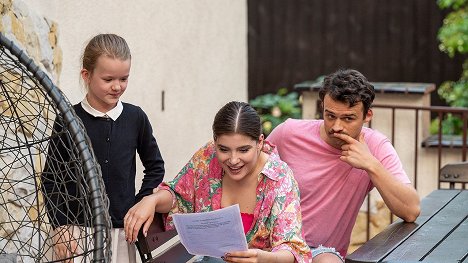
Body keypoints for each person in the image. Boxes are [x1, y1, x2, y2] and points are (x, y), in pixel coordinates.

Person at [124, 101, 312, 263]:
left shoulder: (279, 177)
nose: (233, 159)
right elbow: (179, 196)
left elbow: (292, 248)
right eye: (224, 149)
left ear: (260, 142)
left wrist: (263, 258)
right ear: (214, 142)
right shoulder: (207, 158)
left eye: (243, 150)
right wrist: (152, 200)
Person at [267, 69, 421, 262]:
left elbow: (411, 210)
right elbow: (251, 175)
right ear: (322, 107)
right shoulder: (288, 133)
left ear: (367, 115)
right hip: (273, 245)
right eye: (330, 115)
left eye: (348, 118)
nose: (336, 126)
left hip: (322, 253)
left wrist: (371, 164)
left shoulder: (375, 146)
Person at [42, 33, 165, 263]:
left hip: (121, 235)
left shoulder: (135, 118)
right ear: (86, 75)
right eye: (108, 79)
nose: (117, 86)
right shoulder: (68, 120)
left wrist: (139, 205)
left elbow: (155, 167)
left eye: (124, 79)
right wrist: (60, 226)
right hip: (74, 234)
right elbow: (51, 179)